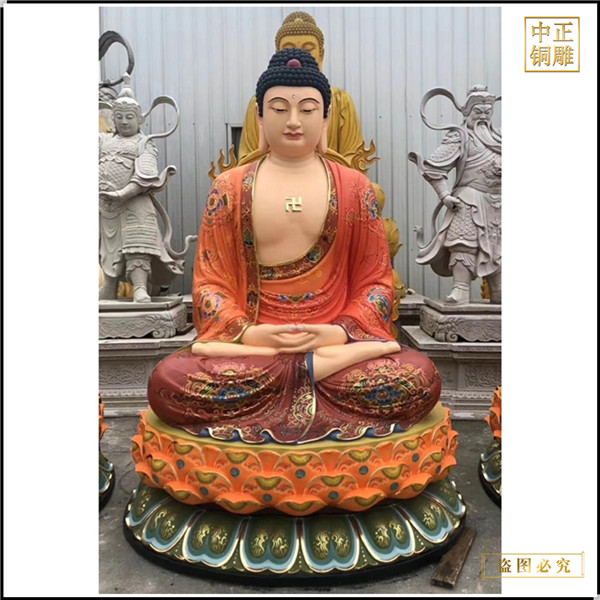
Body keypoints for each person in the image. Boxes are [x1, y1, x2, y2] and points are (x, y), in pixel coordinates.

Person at [148, 49, 441, 444]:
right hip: (256, 349)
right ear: (259, 116)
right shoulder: (229, 187)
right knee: (168, 382)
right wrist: (250, 335)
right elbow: (210, 285)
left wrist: (338, 332)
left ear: (326, 118)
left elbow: (376, 282)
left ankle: (309, 370)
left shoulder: (355, 188)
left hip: (333, 343)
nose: (292, 121)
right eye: (279, 108)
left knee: (420, 378)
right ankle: (310, 370)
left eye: (307, 109)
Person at [237, 11, 368, 170]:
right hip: (271, 173)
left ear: (321, 55)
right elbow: (247, 159)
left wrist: (328, 172)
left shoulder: (341, 99)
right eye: (279, 108)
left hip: (328, 176)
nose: (297, 57)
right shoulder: (260, 101)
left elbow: (353, 156)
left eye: (308, 109)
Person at [410, 85, 502, 305]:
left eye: (487, 112)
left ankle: (499, 290)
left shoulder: (499, 139)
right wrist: (444, 195)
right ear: (467, 112)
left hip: (497, 204)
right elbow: (434, 168)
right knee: (463, 243)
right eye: (477, 111)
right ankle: (461, 288)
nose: (483, 116)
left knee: (499, 248)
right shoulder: (460, 137)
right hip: (468, 200)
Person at [98, 77, 184, 302]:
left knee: (138, 246)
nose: (124, 121)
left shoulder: (144, 143)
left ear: (139, 119)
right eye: (119, 117)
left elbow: (146, 175)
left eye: (129, 117)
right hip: (107, 205)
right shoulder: (104, 142)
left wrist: (122, 194)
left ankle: (139, 287)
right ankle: (110, 286)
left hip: (134, 201)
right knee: (108, 247)